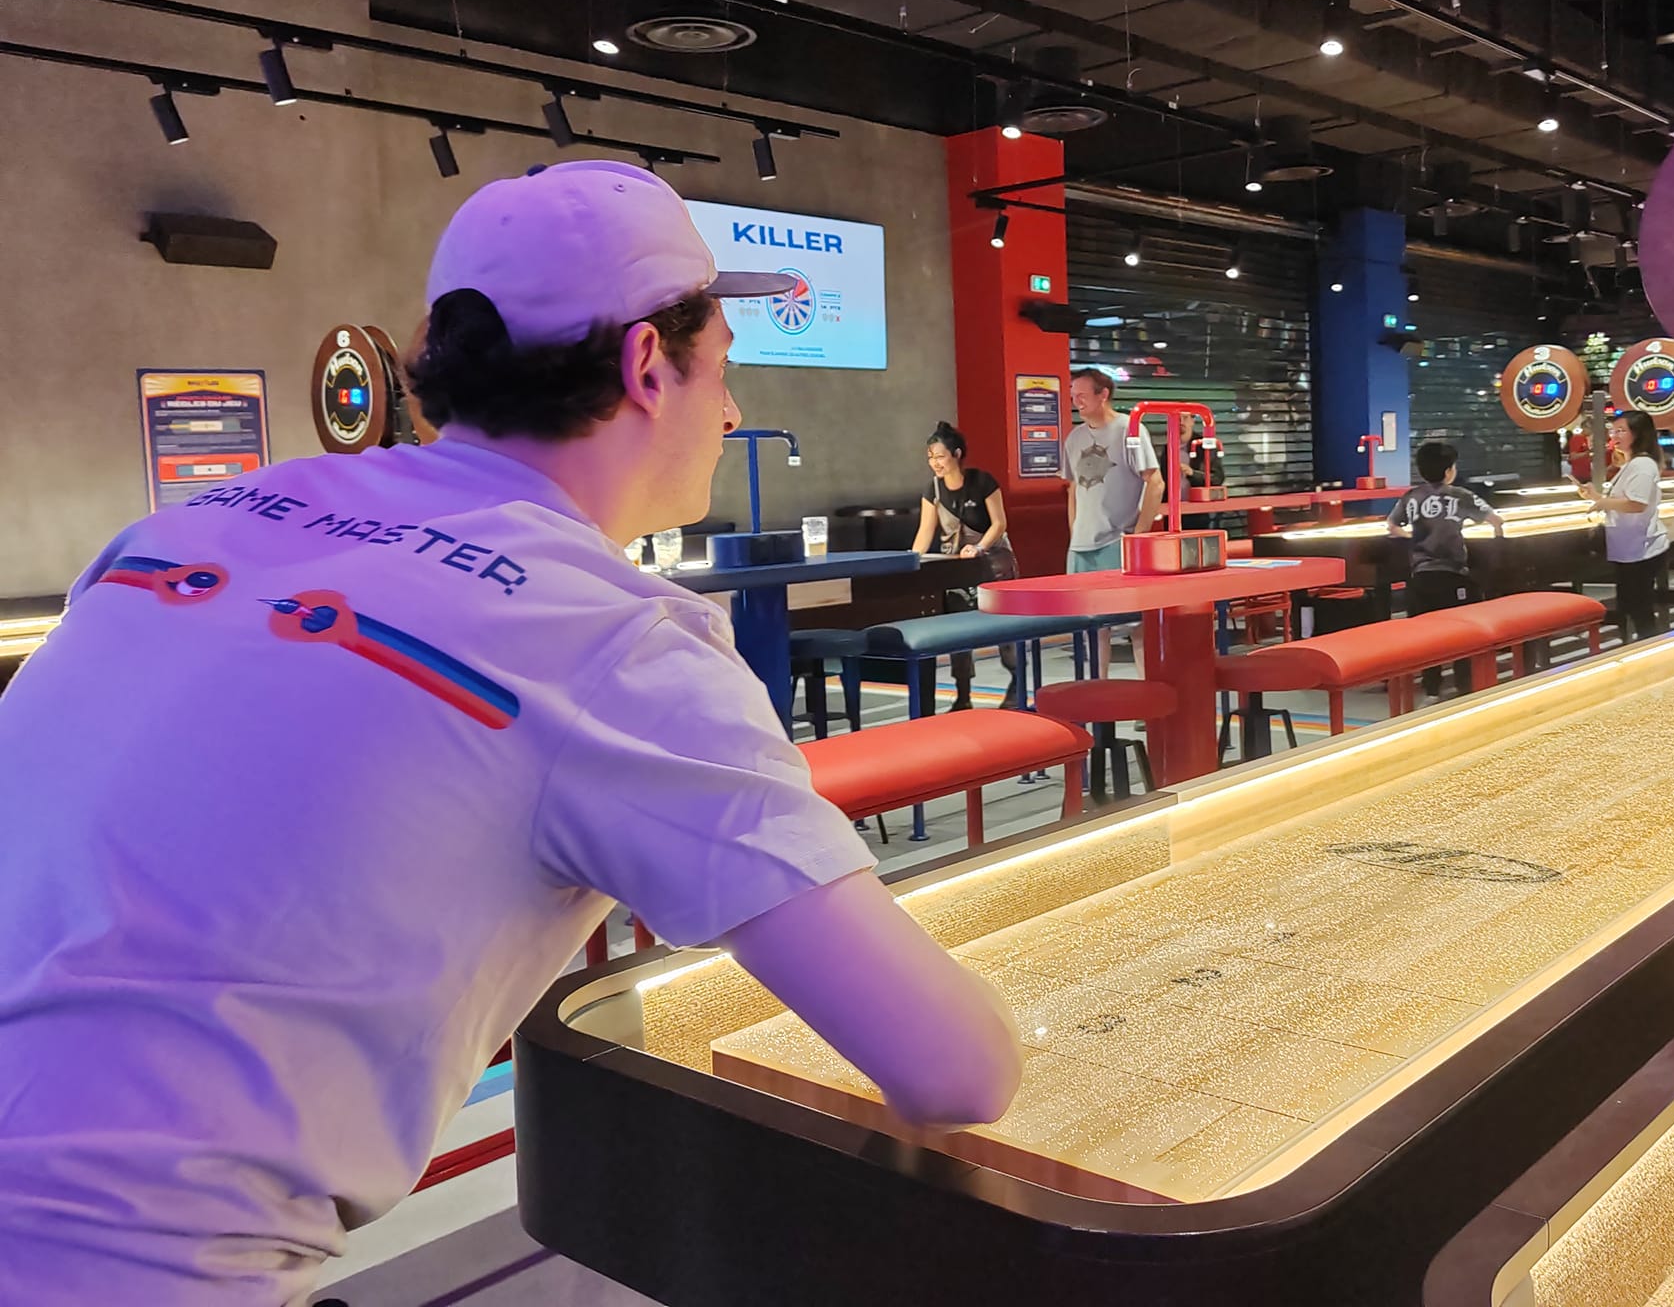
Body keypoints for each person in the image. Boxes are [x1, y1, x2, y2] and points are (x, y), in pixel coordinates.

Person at [0, 162, 1022, 1305]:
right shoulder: (617, 643)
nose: (729, 411)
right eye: (723, 369)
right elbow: (955, 1070)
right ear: (648, 367)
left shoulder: (187, 523)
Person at [910, 420, 1018, 711]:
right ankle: (963, 695)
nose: (935, 464)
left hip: (993, 562)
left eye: (940, 457)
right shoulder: (931, 489)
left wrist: (980, 546)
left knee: (1003, 626)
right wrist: (911, 559)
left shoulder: (982, 481)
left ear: (956, 454)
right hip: (954, 568)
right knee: (957, 631)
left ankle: (1016, 682)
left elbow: (999, 523)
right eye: (930, 458)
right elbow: (925, 531)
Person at [1388, 440, 1505, 697]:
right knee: (1461, 632)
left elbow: (1393, 526)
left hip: (1420, 577)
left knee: (1427, 635)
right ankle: (1465, 687)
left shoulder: (1411, 496)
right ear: (1450, 470)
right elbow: (1496, 520)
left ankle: (1431, 690)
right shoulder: (1461, 495)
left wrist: (1412, 537)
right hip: (1454, 576)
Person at [1061, 367, 1165, 572]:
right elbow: (1074, 489)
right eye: (1073, 396)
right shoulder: (1074, 437)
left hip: (1117, 542)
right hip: (1079, 546)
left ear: (1103, 395)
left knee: (1121, 604)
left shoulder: (1129, 429)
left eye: (1082, 395)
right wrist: (1075, 532)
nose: (1076, 402)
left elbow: (1155, 482)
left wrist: (1139, 535)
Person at [1581, 409, 1669, 641]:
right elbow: (1625, 500)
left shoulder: (1642, 465)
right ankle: (1640, 648)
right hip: (1630, 547)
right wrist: (1597, 497)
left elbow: (1637, 504)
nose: (1614, 435)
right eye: (1613, 430)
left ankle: (1649, 651)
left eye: (1621, 431)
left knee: (1640, 608)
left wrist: (1603, 502)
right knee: (1632, 605)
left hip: (1640, 548)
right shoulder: (1633, 464)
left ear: (1638, 434)